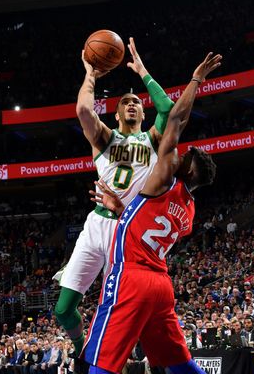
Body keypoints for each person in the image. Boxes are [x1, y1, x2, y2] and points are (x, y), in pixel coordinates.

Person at [81, 51, 221, 374]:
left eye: (183, 156)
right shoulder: (189, 210)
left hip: (131, 276)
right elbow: (147, 219)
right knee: (180, 364)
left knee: (102, 361)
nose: (178, 153)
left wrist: (196, 79)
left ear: (184, 168)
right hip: (161, 285)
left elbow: (175, 118)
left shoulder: (164, 176)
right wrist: (122, 208)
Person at [54, 38, 176, 356]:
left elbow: (168, 108)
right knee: (63, 310)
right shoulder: (105, 138)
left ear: (142, 113)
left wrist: (143, 71)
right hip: (96, 225)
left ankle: (105, 355)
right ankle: (81, 348)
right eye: (126, 102)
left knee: (117, 311)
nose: (133, 104)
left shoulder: (153, 139)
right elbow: (83, 109)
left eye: (137, 101)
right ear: (118, 113)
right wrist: (90, 74)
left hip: (127, 229)